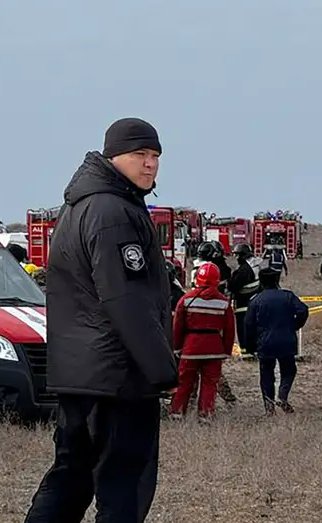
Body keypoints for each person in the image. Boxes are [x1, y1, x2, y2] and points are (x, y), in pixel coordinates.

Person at [25, 117, 178, 522]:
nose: (150, 164)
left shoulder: (83, 205)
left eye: (155, 156)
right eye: (139, 155)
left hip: (81, 372)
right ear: (113, 157)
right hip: (117, 376)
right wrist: (162, 369)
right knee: (123, 485)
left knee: (71, 476)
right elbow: (125, 298)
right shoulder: (112, 212)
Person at [169, 262, 236, 421]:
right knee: (210, 383)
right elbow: (229, 330)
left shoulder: (186, 299)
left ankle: (177, 413)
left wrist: (177, 347)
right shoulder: (224, 302)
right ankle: (205, 415)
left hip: (190, 347)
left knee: (184, 382)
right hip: (214, 348)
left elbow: (177, 326)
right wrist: (225, 351)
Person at [244, 267, 309, 415]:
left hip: (265, 343)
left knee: (266, 374)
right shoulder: (288, 296)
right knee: (289, 370)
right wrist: (294, 326)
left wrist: (249, 346)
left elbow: (248, 325)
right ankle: (283, 395)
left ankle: (269, 408)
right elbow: (303, 310)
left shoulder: (256, 301)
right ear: (277, 280)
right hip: (287, 340)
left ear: (260, 281)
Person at [228, 243, 260, 357]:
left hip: (243, 304)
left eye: (237, 255)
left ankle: (247, 352)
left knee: (243, 329)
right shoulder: (254, 266)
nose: (236, 258)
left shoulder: (244, 270)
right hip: (253, 302)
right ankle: (253, 350)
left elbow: (233, 285)